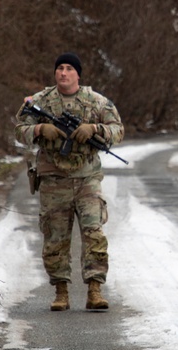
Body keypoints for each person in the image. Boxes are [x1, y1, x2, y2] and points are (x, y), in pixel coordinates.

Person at [15, 52, 124, 311]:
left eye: (69, 69)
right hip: (54, 179)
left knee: (94, 233)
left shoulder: (95, 101)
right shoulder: (40, 101)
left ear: (78, 74)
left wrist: (95, 129)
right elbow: (19, 129)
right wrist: (41, 129)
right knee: (55, 238)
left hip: (87, 178)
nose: (63, 73)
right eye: (60, 68)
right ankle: (61, 292)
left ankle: (95, 290)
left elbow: (118, 129)